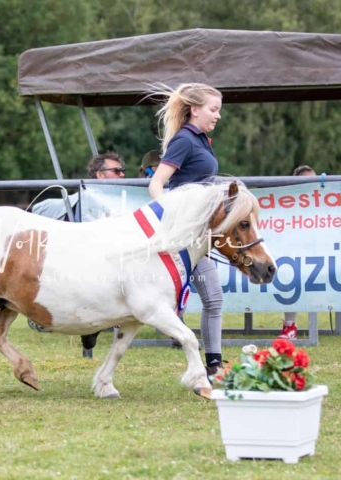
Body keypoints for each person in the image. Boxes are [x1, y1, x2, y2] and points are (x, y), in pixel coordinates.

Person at [148, 83, 224, 376]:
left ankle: (214, 363)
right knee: (211, 298)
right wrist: (174, 218)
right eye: (213, 109)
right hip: (186, 234)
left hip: (199, 233)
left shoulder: (201, 140)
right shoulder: (185, 140)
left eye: (219, 110)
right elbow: (156, 184)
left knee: (213, 299)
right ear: (195, 109)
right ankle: (212, 364)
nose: (217, 116)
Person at [30, 152, 126, 357]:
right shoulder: (86, 201)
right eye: (116, 171)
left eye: (122, 171)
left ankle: (92, 328)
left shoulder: (121, 202)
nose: (122, 175)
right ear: (100, 175)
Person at [278, 165, 317, 340]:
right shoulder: (288, 206)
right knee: (289, 276)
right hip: (292, 257)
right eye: (307, 181)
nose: (312, 186)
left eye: (315, 181)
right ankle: (289, 325)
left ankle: (290, 325)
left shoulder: (324, 203)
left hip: (317, 257)